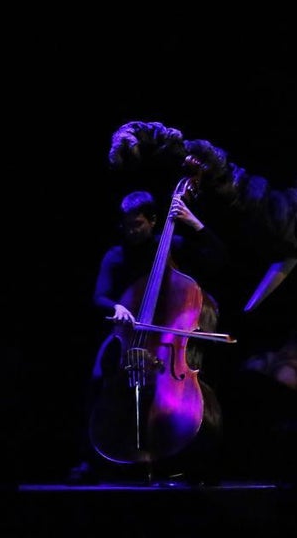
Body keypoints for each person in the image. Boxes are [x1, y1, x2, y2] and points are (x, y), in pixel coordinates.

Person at [73, 188, 231, 484]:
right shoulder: (116, 254)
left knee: (201, 386)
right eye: (126, 225)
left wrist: (194, 223)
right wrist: (117, 305)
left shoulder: (172, 245)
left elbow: (219, 258)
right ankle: (90, 458)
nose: (131, 231)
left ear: (153, 221)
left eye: (138, 225)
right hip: (128, 338)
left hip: (168, 346)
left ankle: (199, 458)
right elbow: (99, 296)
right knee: (97, 378)